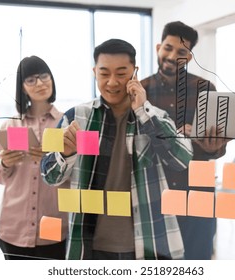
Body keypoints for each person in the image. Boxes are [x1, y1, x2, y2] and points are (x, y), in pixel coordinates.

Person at [41, 39, 193, 260]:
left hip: (148, 243)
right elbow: (49, 176)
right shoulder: (75, 117)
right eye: (104, 74)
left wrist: (143, 111)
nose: (112, 82)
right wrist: (64, 153)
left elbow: (182, 159)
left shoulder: (155, 116)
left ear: (135, 73)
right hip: (89, 246)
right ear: (95, 72)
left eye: (121, 74)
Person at [141, 21, 228, 260]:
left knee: (197, 259)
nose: (172, 56)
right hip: (156, 192)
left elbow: (218, 146)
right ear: (159, 47)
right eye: (168, 48)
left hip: (197, 192)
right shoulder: (140, 91)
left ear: (189, 56)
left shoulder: (205, 88)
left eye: (181, 52)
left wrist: (213, 147)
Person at [0, 55, 68, 260]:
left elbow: (78, 176)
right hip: (12, 227)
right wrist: (5, 163)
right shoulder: (10, 126)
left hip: (53, 222)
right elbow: (0, 178)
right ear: (22, 88)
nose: (40, 83)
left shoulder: (67, 124)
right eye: (31, 80)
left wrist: (56, 161)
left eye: (44, 76)